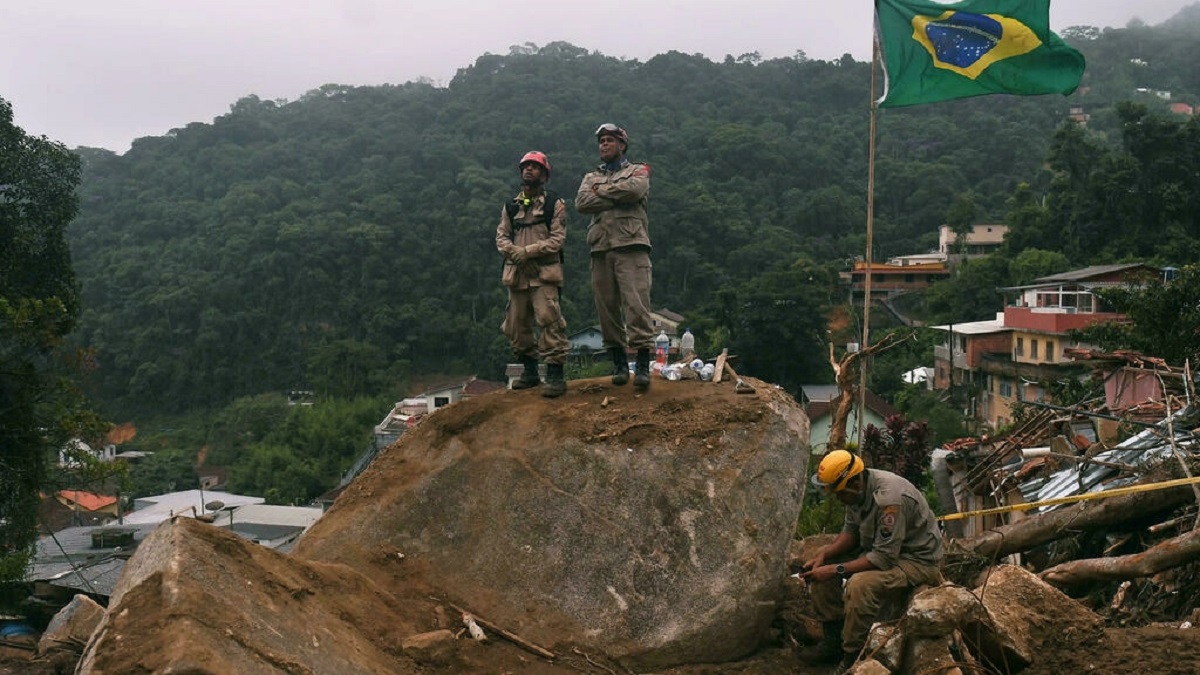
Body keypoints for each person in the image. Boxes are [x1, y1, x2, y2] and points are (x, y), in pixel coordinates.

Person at [801, 450, 944, 669]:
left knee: (860, 585)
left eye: (840, 493)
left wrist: (834, 570)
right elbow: (851, 531)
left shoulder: (889, 500)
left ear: (855, 483)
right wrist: (825, 555)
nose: (839, 500)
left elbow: (883, 558)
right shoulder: (856, 491)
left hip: (917, 560)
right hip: (884, 550)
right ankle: (832, 641)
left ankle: (852, 655)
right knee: (823, 565)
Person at [574, 123, 654, 390]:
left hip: (631, 245)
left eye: (609, 140)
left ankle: (643, 365)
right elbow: (582, 203)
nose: (604, 144)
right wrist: (615, 196)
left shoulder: (638, 170)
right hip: (601, 249)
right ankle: (619, 364)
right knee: (606, 309)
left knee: (636, 305)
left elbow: (635, 191)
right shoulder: (589, 177)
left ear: (622, 145)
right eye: (601, 141)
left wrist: (603, 192)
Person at [496, 151, 569, 398]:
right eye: (525, 166)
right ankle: (529, 373)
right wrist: (517, 255)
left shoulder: (553, 204)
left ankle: (555, 375)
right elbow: (501, 237)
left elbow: (557, 240)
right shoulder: (511, 205)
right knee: (516, 324)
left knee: (549, 320)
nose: (529, 170)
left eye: (535, 167)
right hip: (517, 275)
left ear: (544, 175)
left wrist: (526, 252)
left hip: (543, 273)